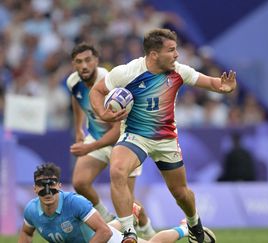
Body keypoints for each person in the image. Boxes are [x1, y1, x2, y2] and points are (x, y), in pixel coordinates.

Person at [89, 28, 236, 243]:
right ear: (154, 54)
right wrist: (103, 113)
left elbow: (213, 83)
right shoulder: (128, 72)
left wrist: (224, 87)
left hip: (165, 139)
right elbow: (96, 90)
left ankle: (194, 224)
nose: (176, 55)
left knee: (181, 193)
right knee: (118, 170)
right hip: (135, 135)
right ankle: (129, 233)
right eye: (171, 50)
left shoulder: (179, 71)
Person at [66, 43, 155, 238]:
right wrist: (79, 129)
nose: (84, 66)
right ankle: (106, 217)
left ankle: (147, 230)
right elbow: (76, 99)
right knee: (80, 182)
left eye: (88, 60)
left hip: (125, 142)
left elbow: (116, 131)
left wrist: (88, 147)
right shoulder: (73, 81)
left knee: (129, 202)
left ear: (96, 61)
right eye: (79, 61)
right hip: (96, 137)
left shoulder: (109, 83)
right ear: (73, 64)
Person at [18, 163, 217, 243]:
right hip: (91, 232)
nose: (47, 191)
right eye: (41, 186)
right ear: (34, 189)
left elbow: (103, 232)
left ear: (59, 186)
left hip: (102, 239)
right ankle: (130, 216)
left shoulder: (75, 202)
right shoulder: (31, 211)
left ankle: (183, 228)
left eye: (51, 185)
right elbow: (26, 233)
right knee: (112, 226)